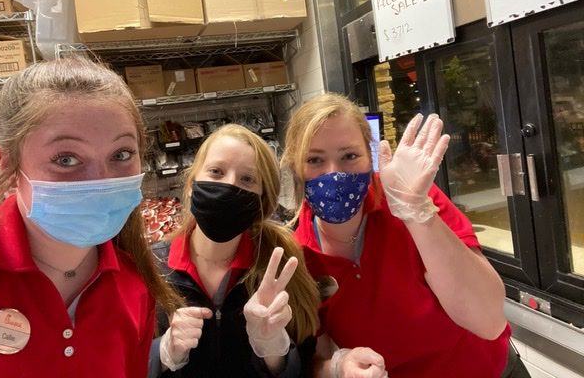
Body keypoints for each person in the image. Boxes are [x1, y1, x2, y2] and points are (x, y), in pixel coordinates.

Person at [0, 56, 182, 377]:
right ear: (9, 164)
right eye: (66, 158)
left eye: (121, 155)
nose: (100, 180)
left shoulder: (134, 286)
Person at [281, 92, 510, 378]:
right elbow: (318, 358)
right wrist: (340, 366)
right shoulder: (299, 257)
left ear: (370, 157)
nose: (334, 173)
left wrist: (417, 213)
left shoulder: (412, 199)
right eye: (314, 160)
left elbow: (488, 321)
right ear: (295, 168)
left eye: (349, 156)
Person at [149, 124, 320, 377]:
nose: (230, 185)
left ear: (262, 201)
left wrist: (273, 348)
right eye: (216, 172)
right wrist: (162, 353)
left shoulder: (281, 267)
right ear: (190, 185)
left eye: (247, 179)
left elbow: (306, 365)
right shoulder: (151, 267)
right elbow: (118, 361)